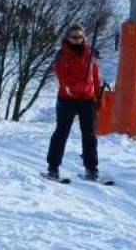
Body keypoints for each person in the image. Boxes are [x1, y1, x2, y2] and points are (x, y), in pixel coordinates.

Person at [46, 24, 102, 181]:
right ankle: (53, 167)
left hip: (88, 100)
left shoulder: (91, 54)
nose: (77, 40)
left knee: (89, 134)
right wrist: (79, 86)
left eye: (80, 37)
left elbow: (95, 76)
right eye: (74, 37)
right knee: (62, 132)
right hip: (67, 99)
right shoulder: (62, 55)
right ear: (67, 38)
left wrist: (98, 95)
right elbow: (64, 79)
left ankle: (91, 169)